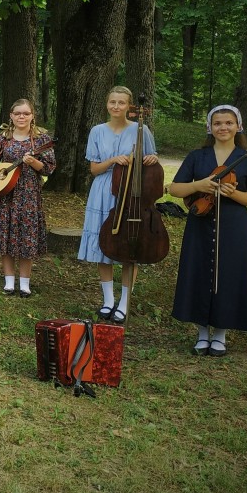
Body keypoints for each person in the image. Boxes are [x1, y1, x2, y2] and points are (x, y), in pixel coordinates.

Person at [168, 106, 247, 357]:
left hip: (234, 226)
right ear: (209, 127)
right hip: (200, 221)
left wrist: (235, 194)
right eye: (218, 123)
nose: (223, 127)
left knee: (229, 275)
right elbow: (174, 189)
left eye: (229, 123)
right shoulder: (197, 156)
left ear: (238, 126)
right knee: (198, 272)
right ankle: (202, 333)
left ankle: (220, 335)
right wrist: (198, 185)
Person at [76, 86, 159, 323]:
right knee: (104, 243)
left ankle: (124, 302)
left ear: (129, 106)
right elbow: (94, 169)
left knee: (129, 245)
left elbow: (152, 160)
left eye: (121, 103)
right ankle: (108, 300)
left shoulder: (141, 129)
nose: (116, 106)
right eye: (112, 102)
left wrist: (151, 158)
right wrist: (113, 160)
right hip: (103, 190)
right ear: (107, 104)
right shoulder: (97, 131)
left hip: (131, 192)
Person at [0, 98, 56, 297]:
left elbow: (49, 168)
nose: (22, 117)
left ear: (32, 116)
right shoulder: (3, 138)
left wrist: (33, 163)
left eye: (26, 113)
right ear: (11, 116)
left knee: (26, 237)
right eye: (18, 113)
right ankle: (9, 282)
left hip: (29, 194)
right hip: (7, 194)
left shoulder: (40, 140)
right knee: (6, 235)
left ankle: (24, 284)